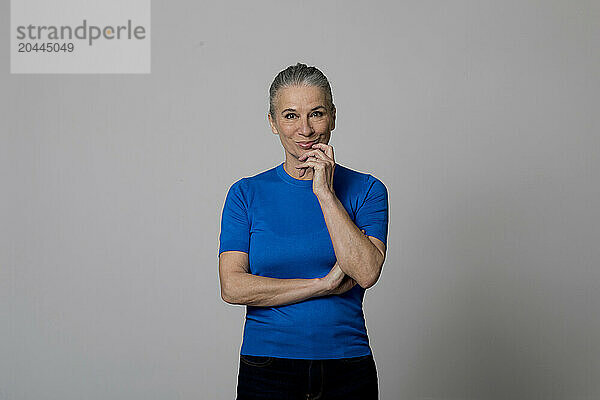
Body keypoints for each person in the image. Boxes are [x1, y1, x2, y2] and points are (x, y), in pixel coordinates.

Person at [218, 62, 389, 400]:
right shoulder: (246, 193)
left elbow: (366, 272)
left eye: (317, 113)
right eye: (291, 115)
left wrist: (324, 193)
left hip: (347, 366)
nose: (306, 130)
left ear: (334, 117)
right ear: (272, 122)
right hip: (267, 366)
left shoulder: (367, 190)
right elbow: (233, 286)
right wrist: (322, 285)